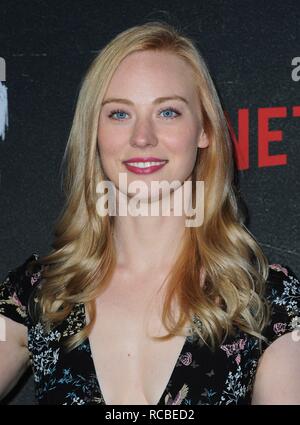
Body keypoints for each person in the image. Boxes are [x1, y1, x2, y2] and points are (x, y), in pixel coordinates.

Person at [0, 21, 300, 406]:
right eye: (120, 114)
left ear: (205, 129)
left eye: (168, 112)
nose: (143, 138)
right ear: (94, 131)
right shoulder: (42, 293)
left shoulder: (264, 300)